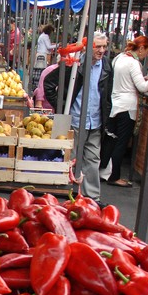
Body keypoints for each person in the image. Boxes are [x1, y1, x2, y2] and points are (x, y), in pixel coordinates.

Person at [44, 32, 113, 205]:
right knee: (69, 157)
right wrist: (61, 107)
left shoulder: (106, 65)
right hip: (73, 120)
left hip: (95, 121)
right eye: (97, 46)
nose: (101, 50)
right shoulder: (74, 64)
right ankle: (65, 195)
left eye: (104, 46)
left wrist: (106, 113)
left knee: (93, 159)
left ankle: (92, 199)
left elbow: (107, 93)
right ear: (88, 47)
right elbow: (49, 83)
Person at [100, 36, 148, 188]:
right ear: (141, 48)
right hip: (127, 107)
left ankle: (104, 171)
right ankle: (114, 176)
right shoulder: (133, 63)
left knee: (111, 140)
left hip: (115, 104)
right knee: (121, 143)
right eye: (147, 51)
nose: (147, 55)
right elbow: (142, 87)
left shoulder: (119, 58)